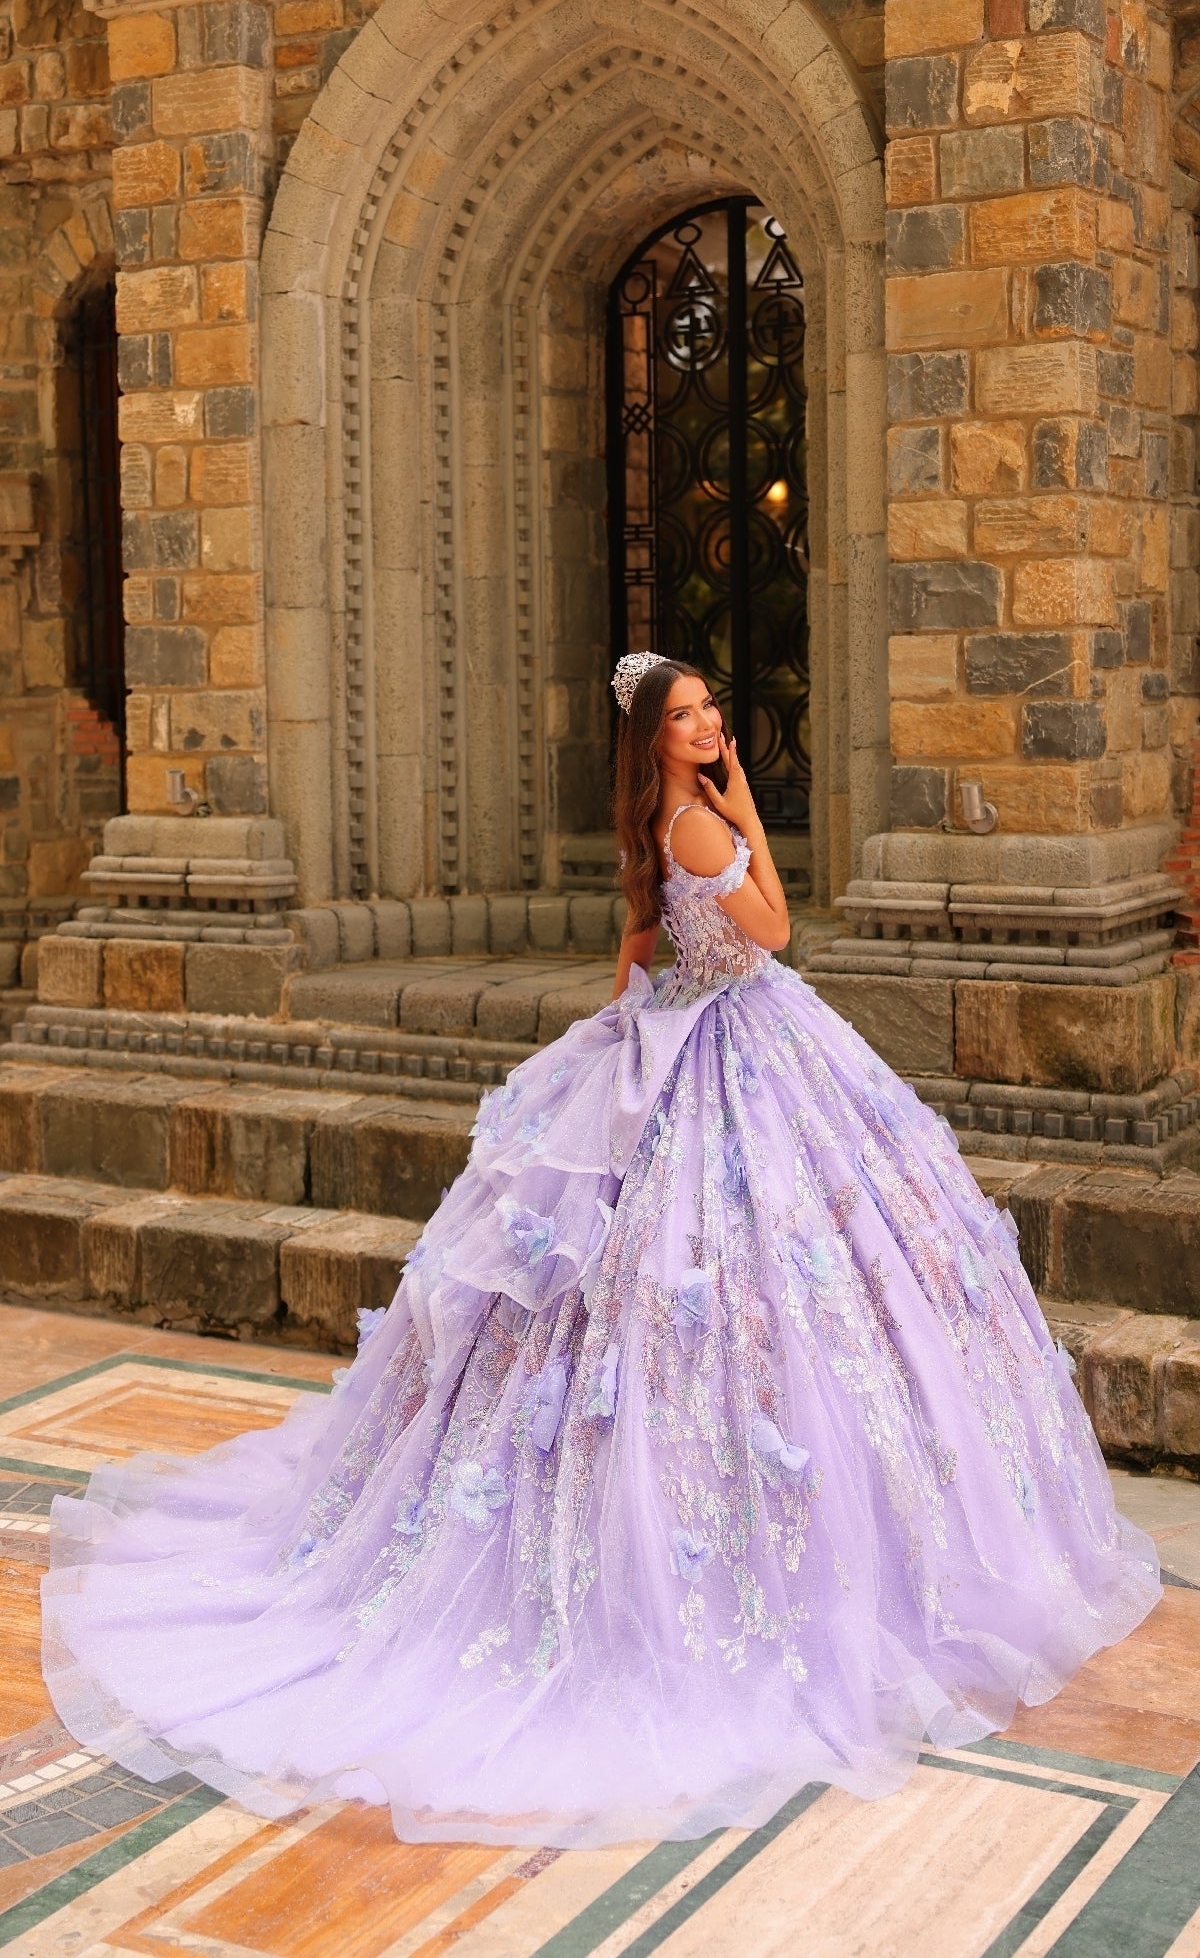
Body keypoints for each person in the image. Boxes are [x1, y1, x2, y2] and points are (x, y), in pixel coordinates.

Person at [41, 653, 1159, 1851]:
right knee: (699, 1289)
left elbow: (640, 941)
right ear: (657, 741)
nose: (707, 724)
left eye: (709, 709)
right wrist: (744, 816)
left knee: (791, 1279)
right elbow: (774, 929)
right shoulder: (693, 821)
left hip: (715, 1038)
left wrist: (625, 1021)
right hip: (734, 1031)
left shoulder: (659, 825)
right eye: (684, 717)